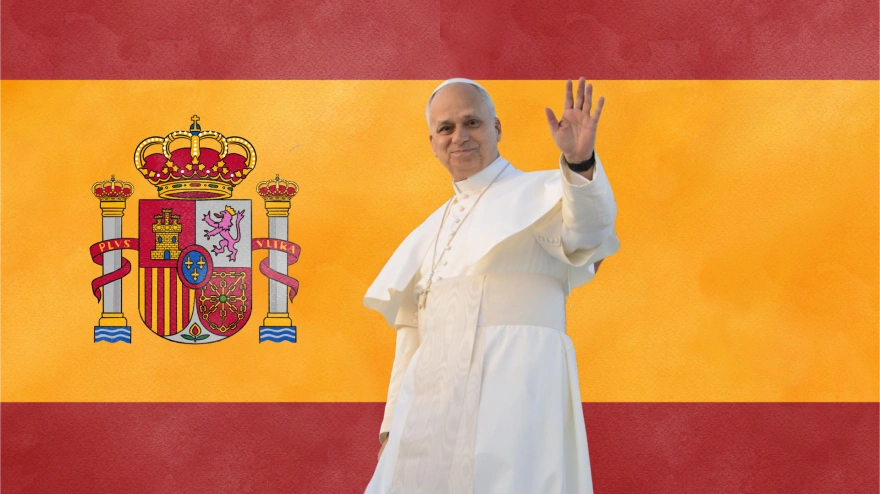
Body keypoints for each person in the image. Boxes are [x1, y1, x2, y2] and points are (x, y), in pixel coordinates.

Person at [363, 77, 620, 493]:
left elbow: (587, 234)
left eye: (472, 122)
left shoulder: (545, 192)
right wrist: (392, 427)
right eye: (446, 128)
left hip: (515, 387)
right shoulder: (427, 231)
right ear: (433, 142)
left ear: (496, 128)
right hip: (429, 403)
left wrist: (579, 162)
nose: (459, 137)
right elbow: (411, 334)